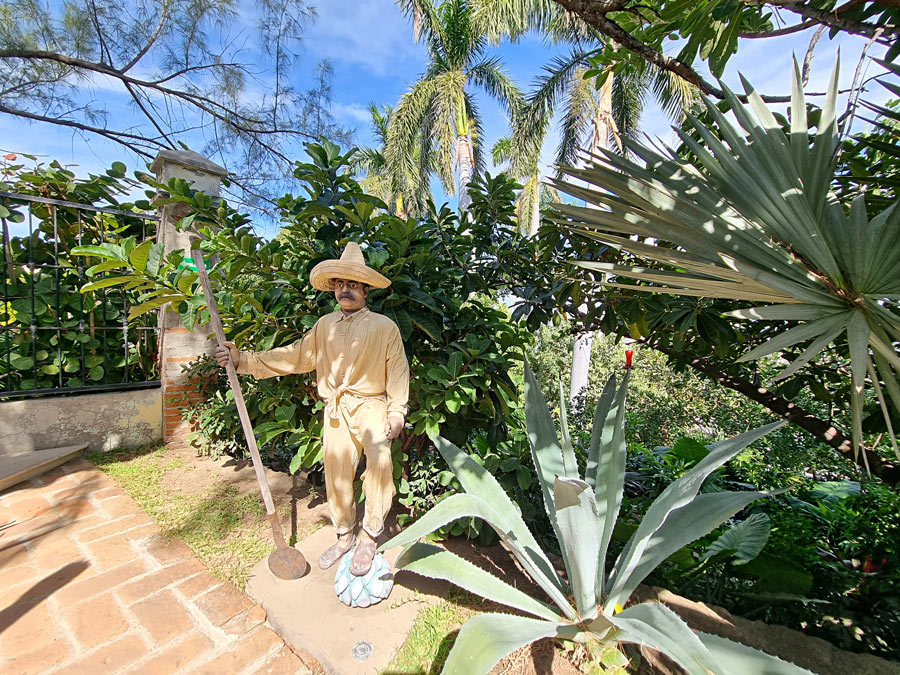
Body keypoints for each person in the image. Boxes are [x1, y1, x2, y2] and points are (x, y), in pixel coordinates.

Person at [214, 242, 409, 577]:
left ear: (365, 289)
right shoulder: (324, 326)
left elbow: (398, 370)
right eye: (340, 284)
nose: (345, 290)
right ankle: (345, 534)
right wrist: (243, 360)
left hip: (372, 405)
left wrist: (397, 412)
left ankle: (369, 537)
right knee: (336, 472)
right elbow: (294, 356)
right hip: (336, 408)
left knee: (380, 465)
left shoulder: (384, 327)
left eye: (352, 285)